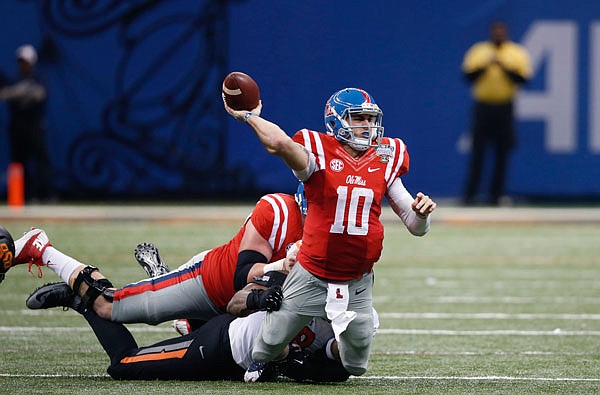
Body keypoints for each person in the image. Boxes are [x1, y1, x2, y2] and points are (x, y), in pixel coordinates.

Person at [223, 87, 437, 380]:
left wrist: (422, 215)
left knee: (356, 365)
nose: (367, 126)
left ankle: (312, 358)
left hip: (357, 280)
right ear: (335, 122)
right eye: (358, 118)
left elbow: (415, 226)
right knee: (267, 345)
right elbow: (279, 144)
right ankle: (265, 360)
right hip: (311, 272)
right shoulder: (317, 152)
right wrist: (250, 117)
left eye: (370, 119)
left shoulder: (386, 155)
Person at [2, 189, 305, 325]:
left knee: (194, 332)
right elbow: (243, 275)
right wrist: (284, 264)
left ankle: (170, 290)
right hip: (207, 283)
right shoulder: (278, 210)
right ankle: (41, 247)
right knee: (108, 305)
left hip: (241, 312)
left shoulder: (339, 233)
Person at [25, 280, 350, 382]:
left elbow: (326, 367)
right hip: (219, 345)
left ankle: (185, 319)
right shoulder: (298, 284)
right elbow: (237, 301)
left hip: (233, 356)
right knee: (122, 365)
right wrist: (259, 298)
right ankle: (83, 297)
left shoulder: (345, 324)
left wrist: (332, 353)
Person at [461, 21, 532, 206]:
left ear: (506, 33)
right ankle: (470, 196)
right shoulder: (480, 51)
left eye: (502, 31)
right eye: (496, 31)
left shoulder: (515, 52)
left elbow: (523, 79)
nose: (498, 34)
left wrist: (503, 66)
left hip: (504, 108)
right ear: (491, 32)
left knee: (502, 153)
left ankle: (496, 196)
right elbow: (468, 76)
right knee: (478, 153)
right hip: (483, 108)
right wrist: (487, 65)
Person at [0, 44, 54, 202]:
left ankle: (47, 195)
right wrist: (21, 92)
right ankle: (24, 196)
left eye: (26, 61)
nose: (23, 64)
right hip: (18, 126)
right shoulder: (13, 80)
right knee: (19, 163)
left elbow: (38, 94)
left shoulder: (39, 79)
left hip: (35, 126)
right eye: (21, 61)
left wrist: (17, 93)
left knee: (41, 160)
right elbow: (4, 94)